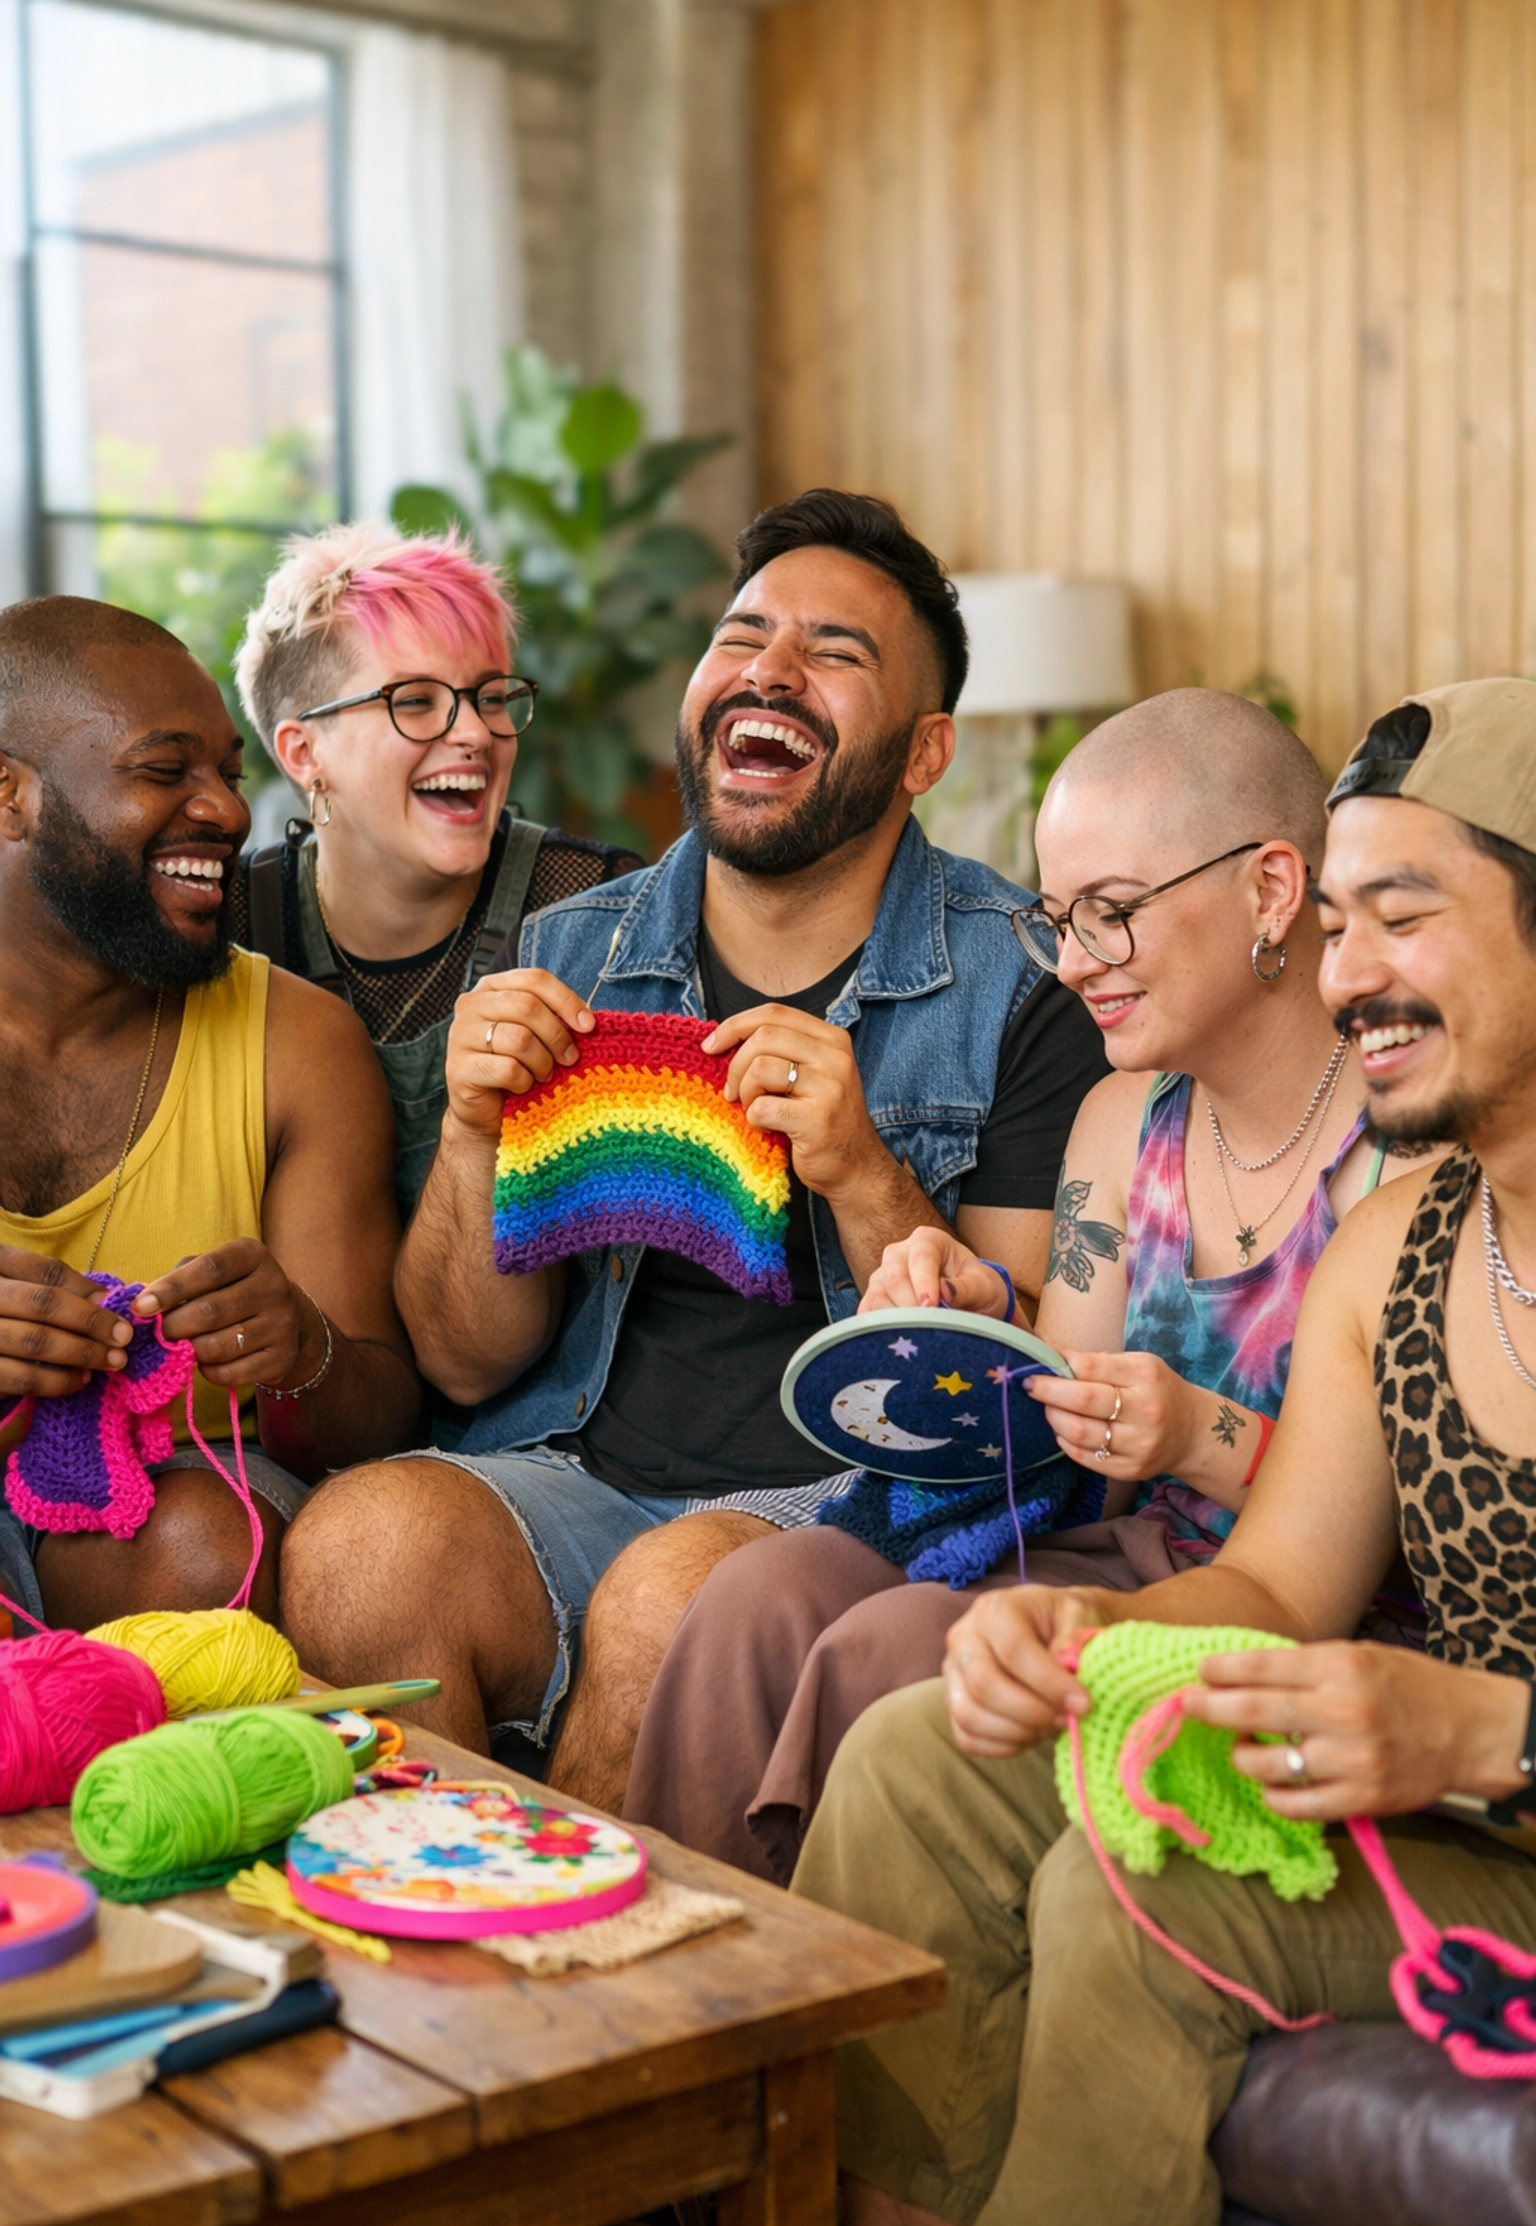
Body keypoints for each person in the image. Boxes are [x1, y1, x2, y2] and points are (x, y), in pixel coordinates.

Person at [792, 677, 1536, 2226]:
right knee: (922, 1758)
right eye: (1338, 928)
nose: (1351, 979)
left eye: (1403, 918)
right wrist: (1085, 1632)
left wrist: (1481, 1738)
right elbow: (1276, 1586)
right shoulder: (1406, 1243)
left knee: (1132, 1886)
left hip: (1499, 1815)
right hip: (1439, 1803)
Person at [278, 490, 1107, 1799]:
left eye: (835, 652)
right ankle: (441, 1941)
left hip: (852, 1502)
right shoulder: (571, 955)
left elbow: (1015, 1397)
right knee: (355, 1541)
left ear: (924, 751)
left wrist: (859, 1172)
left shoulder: (1020, 985)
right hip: (580, 1469)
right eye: (742, 636)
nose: (768, 670)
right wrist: (476, 1139)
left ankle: (583, 1983)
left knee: (673, 1600)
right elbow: (460, 1354)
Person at [625, 686, 1435, 1879]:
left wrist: (1191, 1432)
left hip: (1328, 1611)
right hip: (1126, 1550)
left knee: (898, 1640)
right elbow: (1067, 1418)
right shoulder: (1125, 1123)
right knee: (762, 1591)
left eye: (1110, 915)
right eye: (1056, 918)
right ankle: (680, 1986)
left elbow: (1418, 1528)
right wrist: (982, 1313)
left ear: (1270, 890)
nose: (1070, 963)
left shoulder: (1411, 1148)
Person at [0, 596, 420, 1635]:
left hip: (155, 1513)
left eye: (228, 774)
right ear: (9, 798)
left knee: (202, 1546)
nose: (228, 812)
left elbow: (376, 1417)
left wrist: (301, 1349)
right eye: (163, 769)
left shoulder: (296, 1045)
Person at [231, 523, 641, 1215]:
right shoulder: (229, 922)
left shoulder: (597, 907)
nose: (476, 733)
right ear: (304, 755)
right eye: (414, 701)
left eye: (488, 696)